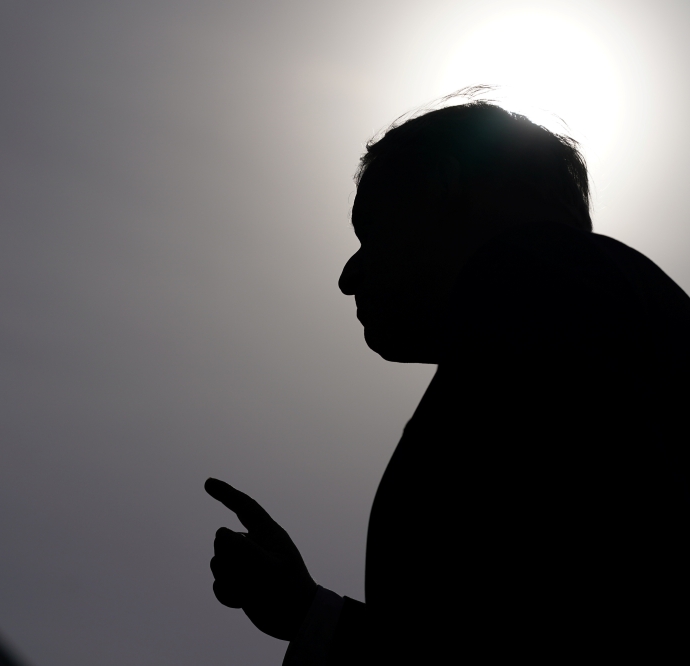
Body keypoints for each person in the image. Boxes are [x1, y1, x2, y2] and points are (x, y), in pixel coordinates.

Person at [206, 101, 690, 663]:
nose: (348, 277)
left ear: (437, 189)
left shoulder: (543, 291)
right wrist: (306, 613)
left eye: (371, 232)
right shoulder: (578, 317)